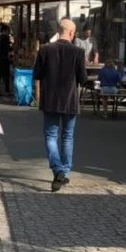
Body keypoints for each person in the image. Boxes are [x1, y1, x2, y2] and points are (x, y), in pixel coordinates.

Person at [33, 18, 87, 192]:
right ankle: (63, 170)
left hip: (50, 99)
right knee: (67, 136)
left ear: (58, 30)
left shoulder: (45, 49)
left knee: (50, 136)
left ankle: (57, 170)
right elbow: (82, 79)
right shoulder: (78, 52)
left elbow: (37, 74)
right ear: (71, 33)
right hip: (69, 100)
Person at [0, 24, 12, 95]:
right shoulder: (6, 38)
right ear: (5, 30)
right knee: (6, 75)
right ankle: (7, 91)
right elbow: (7, 49)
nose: (9, 32)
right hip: (4, 58)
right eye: (8, 30)